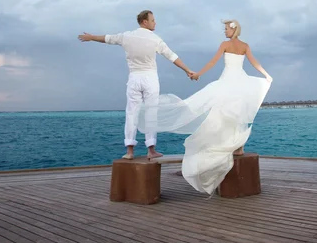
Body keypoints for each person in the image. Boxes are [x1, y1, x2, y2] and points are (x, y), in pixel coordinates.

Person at [138, 19, 272, 194]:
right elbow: (255, 63)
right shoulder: (245, 46)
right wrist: (267, 75)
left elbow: (212, 62)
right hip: (240, 81)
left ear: (233, 30)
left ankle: (231, 145)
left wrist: (198, 74)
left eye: (226, 29)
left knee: (222, 112)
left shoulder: (225, 44)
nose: (224, 32)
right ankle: (238, 147)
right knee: (237, 112)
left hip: (227, 81)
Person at [78, 10, 193, 160]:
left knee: (132, 112)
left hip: (134, 78)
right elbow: (172, 56)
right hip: (150, 78)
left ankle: (129, 151)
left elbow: (108, 38)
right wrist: (187, 70)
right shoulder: (155, 39)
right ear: (145, 21)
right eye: (152, 20)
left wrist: (91, 37)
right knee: (150, 112)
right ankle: (151, 150)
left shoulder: (127, 36)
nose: (155, 22)